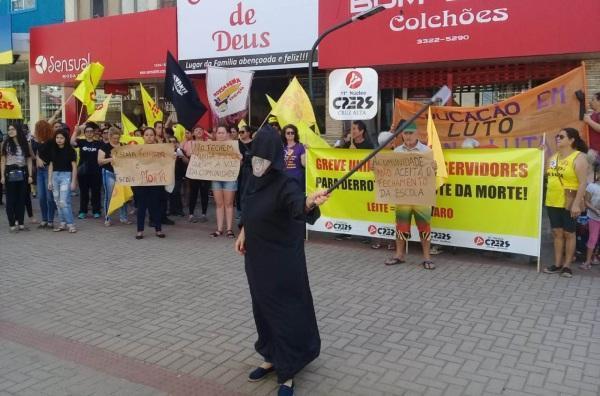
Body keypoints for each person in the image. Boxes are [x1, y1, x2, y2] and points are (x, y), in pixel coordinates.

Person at [234, 125, 329, 396]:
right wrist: (243, 231)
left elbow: (297, 204)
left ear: (274, 159)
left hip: (283, 259)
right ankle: (270, 356)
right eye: (255, 158)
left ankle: (288, 372)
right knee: (262, 308)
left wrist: (310, 201)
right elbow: (248, 207)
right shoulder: (252, 178)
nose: (258, 164)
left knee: (285, 311)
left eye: (264, 159)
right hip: (256, 257)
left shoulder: (285, 183)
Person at [384, 122, 437, 269]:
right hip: (403, 196)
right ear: (401, 134)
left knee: (424, 227)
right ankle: (399, 255)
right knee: (401, 227)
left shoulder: (426, 151)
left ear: (417, 134)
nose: (407, 136)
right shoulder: (397, 152)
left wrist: (434, 169)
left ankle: (427, 257)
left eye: (410, 133)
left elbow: (432, 175)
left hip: (421, 196)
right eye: (405, 133)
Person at [543, 128, 589, 278]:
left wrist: (576, 204)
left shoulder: (579, 158)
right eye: (557, 136)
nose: (557, 138)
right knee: (557, 233)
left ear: (571, 140)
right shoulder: (553, 158)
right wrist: (539, 155)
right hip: (552, 200)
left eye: (561, 137)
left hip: (569, 201)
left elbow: (583, 183)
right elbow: (546, 175)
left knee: (569, 233)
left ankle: (567, 266)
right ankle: (557, 264)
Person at [132, 127, 166, 239]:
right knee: (141, 206)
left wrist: (172, 157)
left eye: (151, 135)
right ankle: (140, 231)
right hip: (141, 181)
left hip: (155, 181)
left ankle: (158, 229)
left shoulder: (160, 149)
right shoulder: (137, 149)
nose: (149, 137)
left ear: (154, 136)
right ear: (143, 137)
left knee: (155, 206)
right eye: (146, 135)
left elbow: (165, 162)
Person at [0, 124, 33, 232]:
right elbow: (3, 161)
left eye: (13, 129)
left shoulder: (25, 144)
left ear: (18, 130)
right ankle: (12, 223)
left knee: (21, 199)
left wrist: (30, 175)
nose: (10, 131)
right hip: (10, 172)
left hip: (22, 172)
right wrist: (2, 176)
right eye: (9, 129)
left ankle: (21, 223)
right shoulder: (6, 144)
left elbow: (28, 160)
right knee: (11, 199)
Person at [98, 127, 130, 226]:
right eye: (114, 138)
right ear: (110, 137)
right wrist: (112, 159)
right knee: (109, 195)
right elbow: (100, 161)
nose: (116, 140)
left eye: (118, 138)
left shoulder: (123, 145)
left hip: (121, 173)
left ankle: (123, 217)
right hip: (109, 173)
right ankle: (108, 218)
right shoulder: (104, 147)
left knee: (123, 195)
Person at [210, 125, 238, 238]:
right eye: (218, 133)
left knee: (229, 204)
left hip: (229, 178)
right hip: (216, 178)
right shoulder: (211, 146)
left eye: (222, 132)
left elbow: (239, 164)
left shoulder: (234, 146)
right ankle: (219, 229)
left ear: (227, 134)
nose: (220, 135)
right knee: (219, 204)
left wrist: (239, 159)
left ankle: (229, 229)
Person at [47, 129, 78, 233]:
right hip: (55, 176)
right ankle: (62, 223)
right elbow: (51, 165)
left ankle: (71, 224)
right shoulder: (53, 150)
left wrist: (74, 181)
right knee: (57, 201)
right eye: (57, 138)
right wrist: (49, 181)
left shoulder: (70, 150)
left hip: (66, 176)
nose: (59, 140)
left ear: (65, 138)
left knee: (64, 201)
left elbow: (74, 167)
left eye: (61, 138)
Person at [71, 122, 102, 219]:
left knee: (96, 192)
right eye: (87, 131)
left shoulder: (99, 143)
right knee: (84, 193)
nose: (89, 133)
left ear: (94, 133)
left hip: (96, 172)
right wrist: (76, 131)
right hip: (83, 172)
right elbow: (72, 142)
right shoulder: (81, 142)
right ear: (84, 133)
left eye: (91, 131)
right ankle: (83, 211)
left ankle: (96, 211)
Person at [32, 120, 57, 229]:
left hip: (48, 170)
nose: (36, 130)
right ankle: (44, 219)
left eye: (37, 128)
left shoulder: (51, 141)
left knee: (49, 197)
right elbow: (34, 153)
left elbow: (52, 158)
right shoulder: (36, 141)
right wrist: (38, 159)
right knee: (41, 197)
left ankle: (50, 220)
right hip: (39, 171)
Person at [185, 127, 210, 223]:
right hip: (193, 172)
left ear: (204, 132)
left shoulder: (208, 142)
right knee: (193, 193)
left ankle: (204, 214)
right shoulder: (188, 143)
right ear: (193, 133)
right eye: (196, 130)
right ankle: (191, 214)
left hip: (205, 173)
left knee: (204, 193)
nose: (199, 131)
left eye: (201, 130)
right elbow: (185, 157)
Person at [581, 174, 600, 270]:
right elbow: (586, 202)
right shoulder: (592, 187)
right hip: (594, 218)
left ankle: (594, 257)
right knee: (593, 239)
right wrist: (595, 210)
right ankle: (588, 261)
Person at [282, 124, 306, 191]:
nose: (290, 134)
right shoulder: (281, 147)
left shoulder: (300, 147)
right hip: (284, 179)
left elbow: (304, 164)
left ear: (295, 134)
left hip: (297, 178)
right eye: (288, 133)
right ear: (284, 134)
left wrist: (307, 152)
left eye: (292, 133)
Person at [168, 135, 187, 217]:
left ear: (176, 143)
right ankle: (171, 210)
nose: (172, 143)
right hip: (168, 175)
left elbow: (186, 162)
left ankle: (179, 210)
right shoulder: (165, 151)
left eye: (174, 142)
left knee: (176, 192)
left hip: (178, 175)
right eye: (170, 142)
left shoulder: (180, 150)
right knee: (170, 192)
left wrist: (182, 155)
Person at [236, 124, 253, 216]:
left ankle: (249, 210)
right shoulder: (236, 143)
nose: (240, 134)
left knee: (249, 190)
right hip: (238, 170)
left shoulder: (254, 143)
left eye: (242, 132)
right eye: (239, 132)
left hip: (250, 171)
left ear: (249, 133)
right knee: (238, 190)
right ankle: (239, 211)